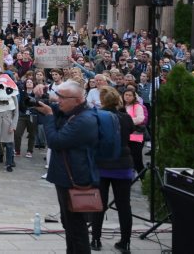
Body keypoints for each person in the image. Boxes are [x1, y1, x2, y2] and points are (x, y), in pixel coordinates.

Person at [34, 81, 99, 254]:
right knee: (68, 223)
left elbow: (55, 141)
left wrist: (48, 117)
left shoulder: (84, 120)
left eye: (62, 97)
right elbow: (44, 107)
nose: (58, 101)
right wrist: (39, 95)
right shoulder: (69, 112)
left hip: (76, 179)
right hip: (66, 176)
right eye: (58, 96)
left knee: (77, 226)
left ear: (77, 100)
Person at [90, 87, 135, 253]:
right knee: (124, 205)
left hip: (102, 164)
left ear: (102, 101)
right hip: (123, 164)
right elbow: (131, 135)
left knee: (99, 204)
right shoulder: (126, 117)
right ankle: (126, 242)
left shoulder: (98, 117)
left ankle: (95, 239)